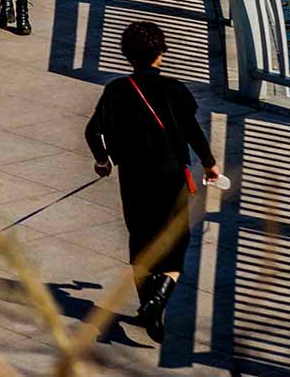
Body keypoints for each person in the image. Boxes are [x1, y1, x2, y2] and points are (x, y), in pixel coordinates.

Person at [84, 21, 220, 343]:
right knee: (176, 241)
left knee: (141, 238)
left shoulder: (116, 89)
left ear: (127, 54)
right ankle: (160, 296)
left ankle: (150, 307)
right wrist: (210, 164)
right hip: (170, 175)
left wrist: (103, 160)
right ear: (160, 53)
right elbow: (192, 131)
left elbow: (93, 132)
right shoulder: (175, 89)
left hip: (133, 175)